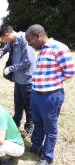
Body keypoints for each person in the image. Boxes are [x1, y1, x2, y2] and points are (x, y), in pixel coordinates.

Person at [25, 24, 75, 165]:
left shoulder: (59, 48)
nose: (29, 44)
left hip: (50, 96)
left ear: (38, 36)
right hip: (36, 95)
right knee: (38, 123)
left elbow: (70, 72)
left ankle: (47, 157)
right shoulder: (42, 50)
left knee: (50, 127)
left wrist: (52, 83)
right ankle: (36, 147)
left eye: (30, 41)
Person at [0, 25, 35, 135]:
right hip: (18, 80)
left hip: (27, 80)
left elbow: (27, 61)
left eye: (3, 39)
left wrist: (10, 68)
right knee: (18, 104)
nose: (3, 41)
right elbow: (5, 49)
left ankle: (29, 127)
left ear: (7, 35)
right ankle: (15, 124)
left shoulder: (24, 39)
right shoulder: (11, 41)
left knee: (28, 106)